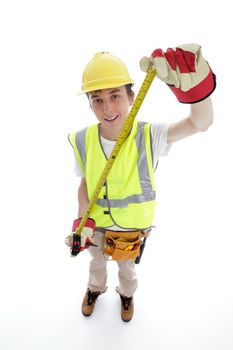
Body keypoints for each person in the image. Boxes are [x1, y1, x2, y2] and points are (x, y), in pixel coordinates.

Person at [65, 44, 216, 322]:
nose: (107, 107)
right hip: (95, 224)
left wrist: (197, 93)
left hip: (131, 229)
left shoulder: (150, 135)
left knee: (127, 269)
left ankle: (126, 294)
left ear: (131, 96)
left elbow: (200, 123)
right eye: (97, 99)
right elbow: (86, 183)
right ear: (88, 102)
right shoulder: (82, 139)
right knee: (96, 263)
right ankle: (95, 289)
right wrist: (81, 222)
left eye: (115, 96)